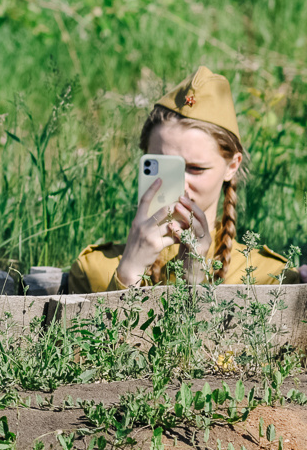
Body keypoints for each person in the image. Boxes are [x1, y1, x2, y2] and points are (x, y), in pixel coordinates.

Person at [68, 66, 290, 293]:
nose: (181, 185)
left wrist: (193, 280)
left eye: (195, 168)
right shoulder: (95, 269)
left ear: (232, 166)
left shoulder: (268, 276)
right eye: (166, 167)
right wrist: (128, 275)